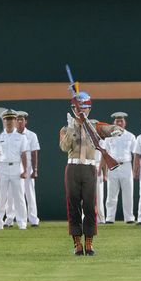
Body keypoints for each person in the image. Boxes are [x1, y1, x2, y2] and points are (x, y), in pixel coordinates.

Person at [59, 91, 122, 256]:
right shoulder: (66, 127)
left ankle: (89, 242)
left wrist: (115, 131)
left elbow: (113, 128)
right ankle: (77, 243)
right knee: (73, 206)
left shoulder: (94, 125)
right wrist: (72, 129)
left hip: (89, 169)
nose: (83, 111)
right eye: (80, 108)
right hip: (73, 168)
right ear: (73, 108)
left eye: (85, 108)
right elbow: (65, 147)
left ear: (89, 109)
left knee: (89, 205)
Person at [0, 110, 29, 230]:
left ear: (15, 121)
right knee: (0, 198)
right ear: (3, 121)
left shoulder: (21, 137)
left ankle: (22, 223)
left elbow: (24, 155)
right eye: (7, 119)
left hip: (17, 167)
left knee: (19, 197)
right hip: (2, 168)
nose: (9, 122)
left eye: (11, 119)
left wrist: (25, 170)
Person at [102, 112, 136, 224]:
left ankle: (129, 217)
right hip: (113, 167)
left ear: (125, 123)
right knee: (111, 194)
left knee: (128, 193)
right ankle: (110, 218)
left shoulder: (130, 136)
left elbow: (135, 154)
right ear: (114, 123)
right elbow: (105, 155)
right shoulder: (108, 137)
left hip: (126, 166)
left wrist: (135, 170)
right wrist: (105, 172)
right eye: (117, 121)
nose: (119, 123)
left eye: (121, 121)